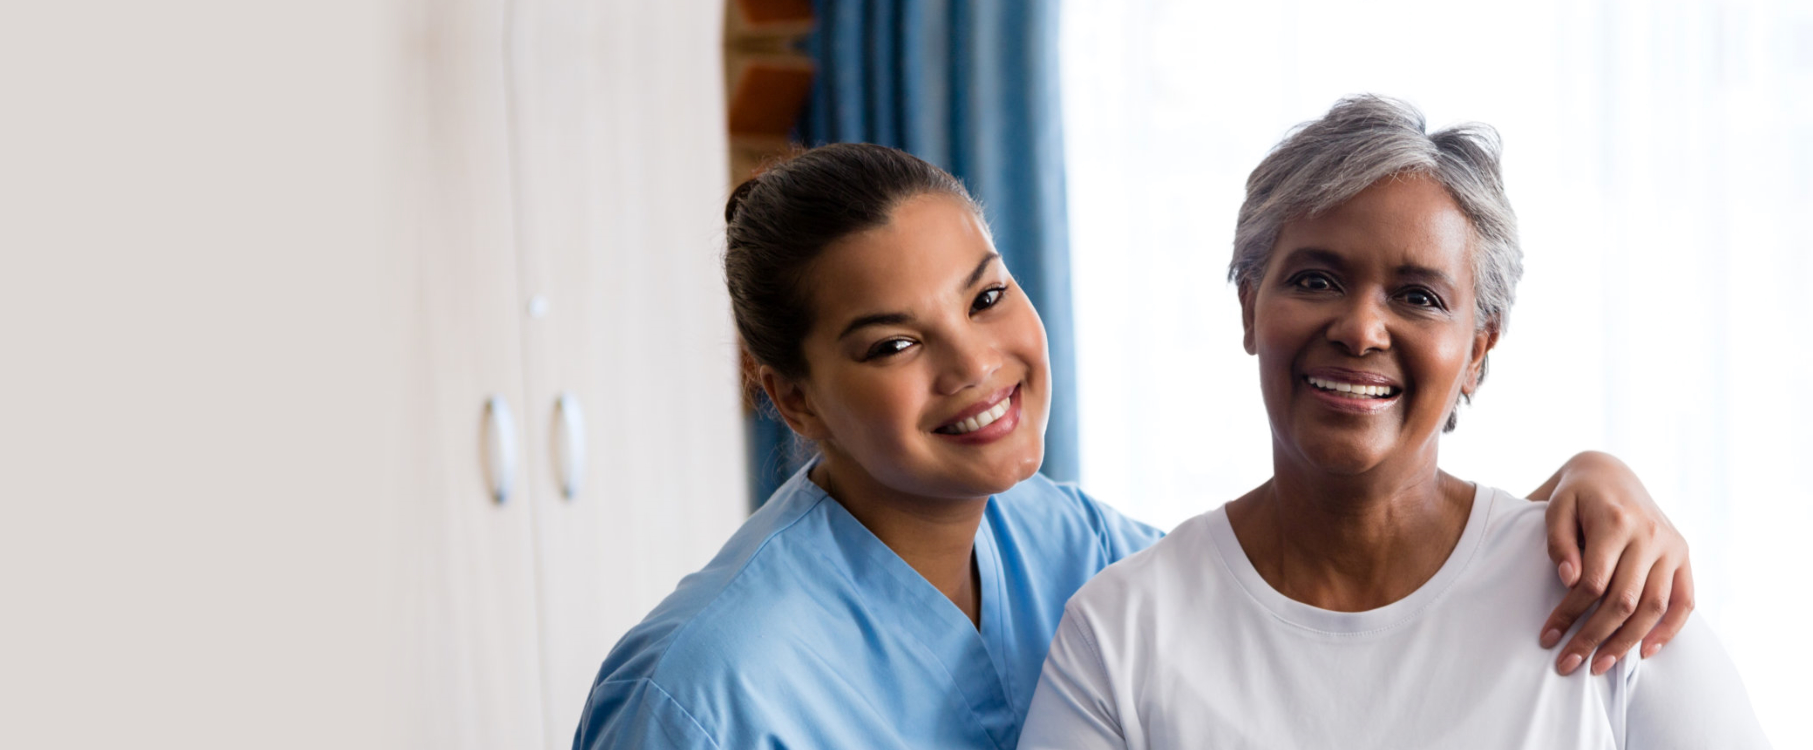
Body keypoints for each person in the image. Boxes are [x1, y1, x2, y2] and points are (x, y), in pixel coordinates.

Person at [573, 143, 1698, 750]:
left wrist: (1577, 490)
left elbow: (1332, 587)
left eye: (987, 295)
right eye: (894, 342)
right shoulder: (703, 695)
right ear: (792, 397)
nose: (975, 366)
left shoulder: (1070, 548)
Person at [1017, 96, 1767, 749]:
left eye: (1418, 297)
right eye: (1316, 280)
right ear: (1249, 307)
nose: (1361, 329)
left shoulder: (1610, 599)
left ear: (1478, 349)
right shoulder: (1122, 633)